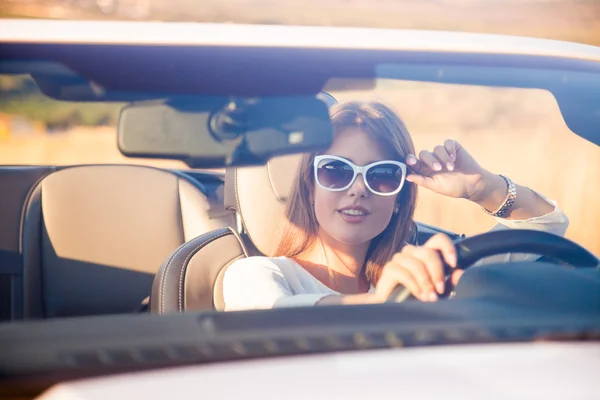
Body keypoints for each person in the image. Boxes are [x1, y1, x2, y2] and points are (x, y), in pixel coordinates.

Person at [222, 101, 568, 311]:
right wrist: (386, 301)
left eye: (383, 175)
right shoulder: (258, 274)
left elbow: (545, 226)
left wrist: (482, 188)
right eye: (336, 171)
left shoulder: (426, 271)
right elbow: (270, 314)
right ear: (310, 187)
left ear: (401, 199)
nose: (358, 190)